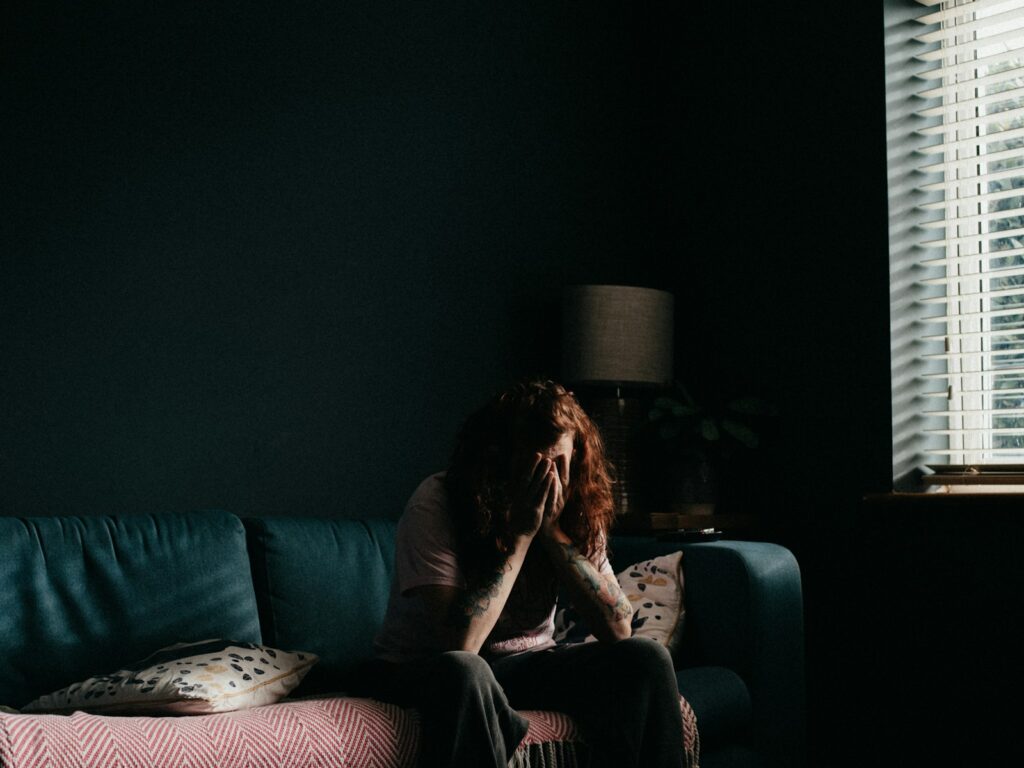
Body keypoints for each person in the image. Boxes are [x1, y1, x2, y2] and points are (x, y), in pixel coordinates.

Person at [353, 378, 684, 768]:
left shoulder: (575, 502)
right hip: (423, 668)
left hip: (526, 663)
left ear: (576, 455)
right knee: (467, 670)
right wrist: (522, 533)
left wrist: (551, 532)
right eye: (534, 465)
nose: (549, 478)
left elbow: (618, 628)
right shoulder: (439, 500)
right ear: (500, 459)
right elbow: (461, 643)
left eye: (559, 462)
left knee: (644, 656)